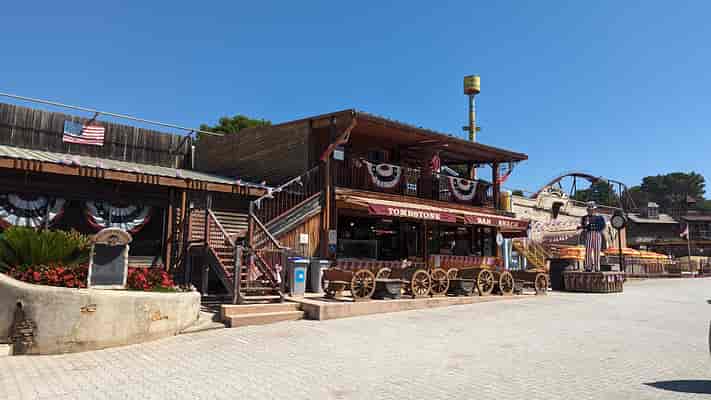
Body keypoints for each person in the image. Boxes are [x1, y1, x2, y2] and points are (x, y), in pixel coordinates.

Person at [579, 201, 606, 272]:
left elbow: (603, 226)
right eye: (589, 209)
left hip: (597, 233)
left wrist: (597, 228)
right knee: (588, 251)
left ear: (594, 210)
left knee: (597, 251)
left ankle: (597, 268)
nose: (590, 211)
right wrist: (585, 226)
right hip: (589, 233)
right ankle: (588, 267)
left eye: (591, 209)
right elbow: (583, 225)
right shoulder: (585, 217)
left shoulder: (600, 217)